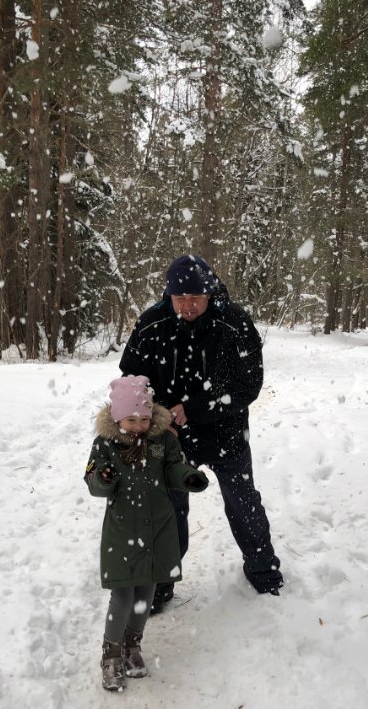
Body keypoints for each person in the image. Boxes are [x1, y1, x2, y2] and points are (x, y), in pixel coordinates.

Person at [119, 254, 283, 614]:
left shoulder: (235, 323)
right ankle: (161, 582)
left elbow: (249, 385)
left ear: (210, 293)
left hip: (226, 431)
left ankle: (264, 572)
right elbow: (132, 379)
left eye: (195, 298)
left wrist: (193, 408)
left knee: (243, 501)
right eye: (180, 299)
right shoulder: (152, 324)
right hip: (171, 435)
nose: (188, 306)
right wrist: (159, 417)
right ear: (169, 295)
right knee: (167, 508)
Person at [85, 374, 209, 691]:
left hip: (157, 529)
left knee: (146, 593)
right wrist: (104, 476)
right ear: (117, 417)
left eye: (144, 418)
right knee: (123, 595)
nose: (139, 425)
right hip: (123, 532)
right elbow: (95, 484)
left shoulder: (163, 441)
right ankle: (111, 654)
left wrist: (188, 477)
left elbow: (173, 467)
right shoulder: (106, 445)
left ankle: (132, 646)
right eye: (131, 419)